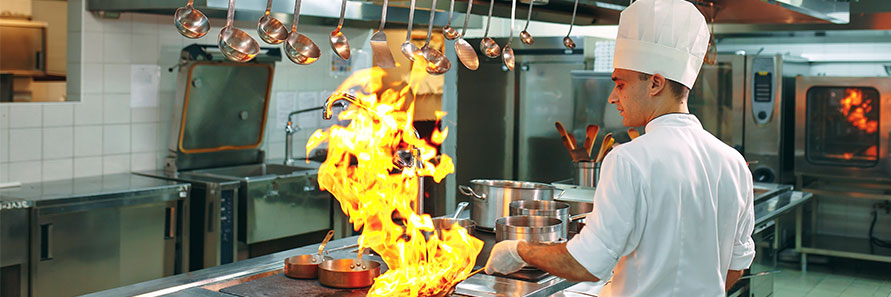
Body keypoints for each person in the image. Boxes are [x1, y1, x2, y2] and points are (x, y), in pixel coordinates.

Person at [483, 0, 756, 296]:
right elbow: (736, 266)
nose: (613, 97)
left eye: (620, 84)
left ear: (655, 84)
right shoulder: (733, 163)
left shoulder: (628, 159)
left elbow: (585, 264)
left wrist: (518, 249)